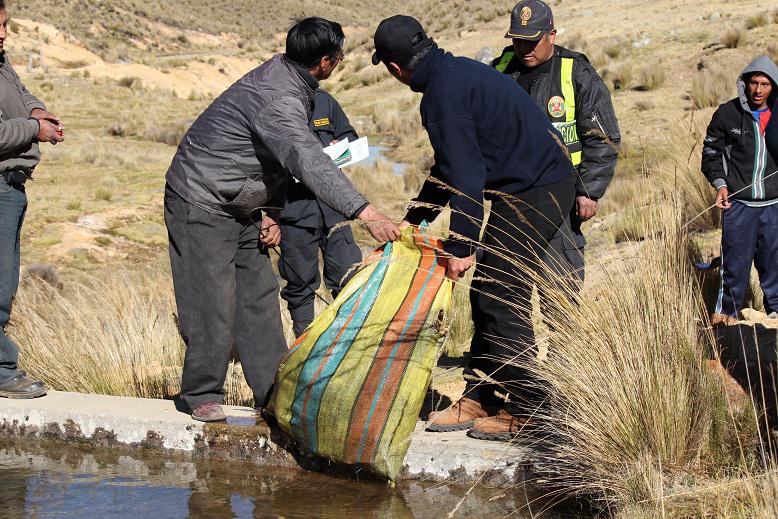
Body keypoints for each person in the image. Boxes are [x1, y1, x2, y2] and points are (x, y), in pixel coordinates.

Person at [164, 17, 399, 422]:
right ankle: (201, 392)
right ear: (324, 62)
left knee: (259, 297)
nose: (340, 62)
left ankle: (272, 394)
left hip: (242, 204)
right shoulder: (279, 97)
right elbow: (307, 161)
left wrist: (269, 210)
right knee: (212, 299)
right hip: (201, 199)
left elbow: (268, 161)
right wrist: (367, 213)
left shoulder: (292, 82)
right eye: (339, 56)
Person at [371, 15, 575, 441]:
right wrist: (414, 223)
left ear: (394, 68)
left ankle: (533, 409)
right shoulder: (455, 73)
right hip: (535, 184)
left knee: (500, 295)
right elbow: (451, 168)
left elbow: (466, 176)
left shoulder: (442, 95)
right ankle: (482, 394)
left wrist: (463, 245)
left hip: (537, 189)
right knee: (489, 292)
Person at [491, 0, 620, 290]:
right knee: (505, 293)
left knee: (560, 291)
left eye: (532, 41)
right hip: (510, 198)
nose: (525, 48)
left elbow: (603, 137)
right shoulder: (498, 70)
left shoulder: (576, 71)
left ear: (552, 35)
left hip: (560, 199)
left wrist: (589, 191)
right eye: (518, 40)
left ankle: (563, 337)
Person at [0, 1, 64, 399]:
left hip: (11, 186)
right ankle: (3, 372)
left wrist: (38, 111)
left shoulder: (1, 60)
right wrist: (33, 129)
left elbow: (21, 91)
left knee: (5, 282)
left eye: (5, 24)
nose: (4, 33)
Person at [279, 89, 362, 337]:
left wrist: (341, 146)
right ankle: (305, 347)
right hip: (295, 212)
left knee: (350, 276)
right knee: (300, 284)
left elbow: (351, 140)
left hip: (334, 208)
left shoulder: (325, 101)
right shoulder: (276, 105)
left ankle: (351, 341)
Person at [702, 56, 778, 323]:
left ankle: (774, 323)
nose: (758, 90)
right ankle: (725, 324)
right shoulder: (727, 113)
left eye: (765, 84)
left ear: (774, 86)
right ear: (744, 84)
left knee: (774, 269)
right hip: (739, 206)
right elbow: (710, 154)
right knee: (734, 269)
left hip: (774, 206)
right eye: (753, 83)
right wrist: (721, 185)